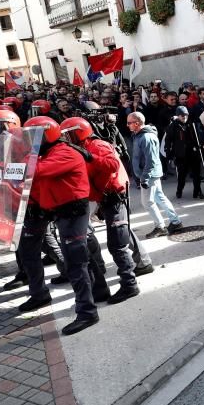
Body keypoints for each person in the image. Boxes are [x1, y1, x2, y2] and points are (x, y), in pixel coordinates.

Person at [17, 117, 99, 336]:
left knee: (75, 261)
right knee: (36, 252)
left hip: (72, 212)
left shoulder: (64, 153)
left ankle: (87, 312)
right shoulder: (49, 153)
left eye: (34, 136)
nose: (30, 141)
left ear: (46, 135)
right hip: (57, 211)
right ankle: (43, 294)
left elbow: (37, 171)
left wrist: (14, 158)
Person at [60, 116, 142, 304]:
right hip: (106, 200)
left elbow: (112, 164)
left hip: (114, 199)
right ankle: (135, 273)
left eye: (68, 134)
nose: (67, 139)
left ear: (77, 132)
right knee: (119, 243)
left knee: (118, 245)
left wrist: (91, 157)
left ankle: (130, 285)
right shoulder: (86, 147)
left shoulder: (96, 146)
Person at [127, 112, 183, 238]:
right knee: (159, 197)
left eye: (129, 123)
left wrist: (144, 178)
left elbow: (151, 160)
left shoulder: (146, 137)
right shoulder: (139, 135)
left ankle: (160, 226)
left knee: (147, 202)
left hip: (149, 175)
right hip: (150, 174)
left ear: (137, 123)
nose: (127, 125)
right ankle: (176, 222)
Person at [165, 106, 204, 200]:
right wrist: (169, 154)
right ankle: (179, 190)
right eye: (181, 115)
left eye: (185, 115)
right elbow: (168, 141)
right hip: (181, 154)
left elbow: (198, 137)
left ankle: (197, 192)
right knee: (182, 176)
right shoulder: (173, 126)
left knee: (197, 175)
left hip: (193, 152)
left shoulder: (192, 124)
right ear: (177, 115)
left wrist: (200, 146)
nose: (184, 117)